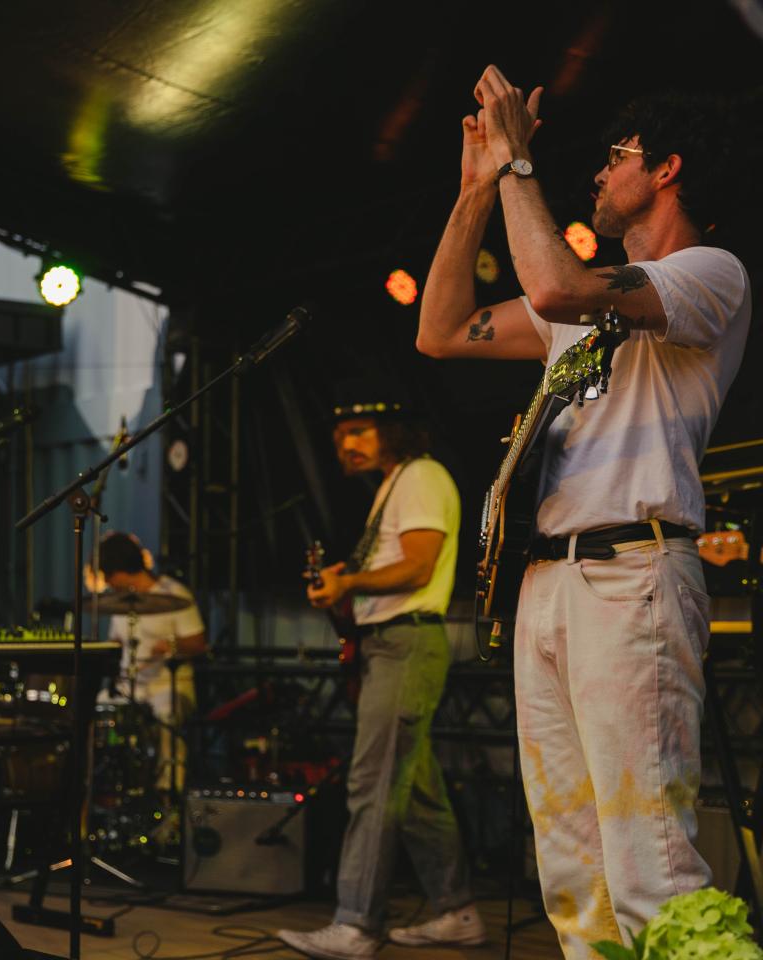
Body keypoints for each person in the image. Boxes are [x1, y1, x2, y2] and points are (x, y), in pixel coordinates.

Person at [416, 66, 751, 958]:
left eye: (618, 155)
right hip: (547, 582)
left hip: (632, 573)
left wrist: (517, 161)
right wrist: (475, 189)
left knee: (650, 862)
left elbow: (557, 288)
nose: (599, 173)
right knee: (574, 872)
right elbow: (439, 330)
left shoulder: (707, 273)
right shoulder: (581, 295)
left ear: (668, 169)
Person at [277, 399, 483, 959]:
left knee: (373, 782)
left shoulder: (419, 476)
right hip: (392, 643)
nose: (347, 444)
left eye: (360, 431)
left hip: (405, 643)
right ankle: (457, 911)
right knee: (415, 791)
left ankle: (356, 924)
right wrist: (345, 580)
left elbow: (418, 565)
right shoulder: (396, 483)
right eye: (340, 435)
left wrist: (349, 584)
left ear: (394, 429)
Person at [97, 531, 206, 796]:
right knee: (97, 709)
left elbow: (198, 643)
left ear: (121, 571)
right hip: (129, 685)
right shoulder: (121, 601)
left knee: (165, 714)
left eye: (108, 574)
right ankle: (108, 788)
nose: (107, 582)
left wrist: (171, 646)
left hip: (168, 684)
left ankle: (169, 792)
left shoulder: (175, 594)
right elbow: (115, 644)